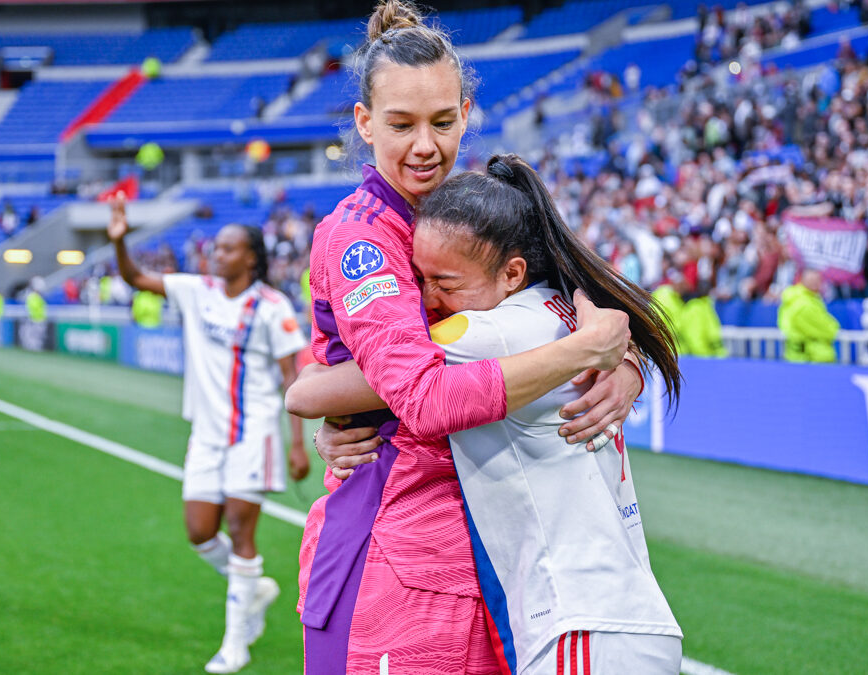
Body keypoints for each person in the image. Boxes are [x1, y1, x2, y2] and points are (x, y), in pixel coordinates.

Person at [287, 4, 641, 673]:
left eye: (443, 122)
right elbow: (420, 395)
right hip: (392, 549)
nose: (425, 144)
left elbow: (569, 284)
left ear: (467, 113)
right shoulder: (362, 235)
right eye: (401, 124)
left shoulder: (475, 210)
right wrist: (582, 351)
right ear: (364, 124)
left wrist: (623, 358)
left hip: (486, 546)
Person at [293, 155, 684, 673]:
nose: (428, 298)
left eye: (445, 283)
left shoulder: (486, 333)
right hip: (618, 613)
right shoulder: (561, 305)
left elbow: (318, 392)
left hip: (578, 623)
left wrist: (323, 401)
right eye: (420, 278)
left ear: (511, 273)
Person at [108, 196, 310, 674]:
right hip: (206, 433)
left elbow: (292, 376)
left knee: (241, 529)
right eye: (215, 247)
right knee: (200, 532)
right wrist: (119, 242)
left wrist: (297, 440)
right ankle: (254, 587)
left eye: (226, 248)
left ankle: (235, 643)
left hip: (253, 432)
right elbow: (136, 278)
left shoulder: (271, 306)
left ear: (250, 258)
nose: (215, 254)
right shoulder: (196, 290)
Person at [778, 268, 839, 363]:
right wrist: (833, 326)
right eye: (812, 280)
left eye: (818, 280)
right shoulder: (803, 303)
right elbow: (828, 330)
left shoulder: (808, 299)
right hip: (810, 359)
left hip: (804, 358)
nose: (816, 284)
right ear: (802, 281)